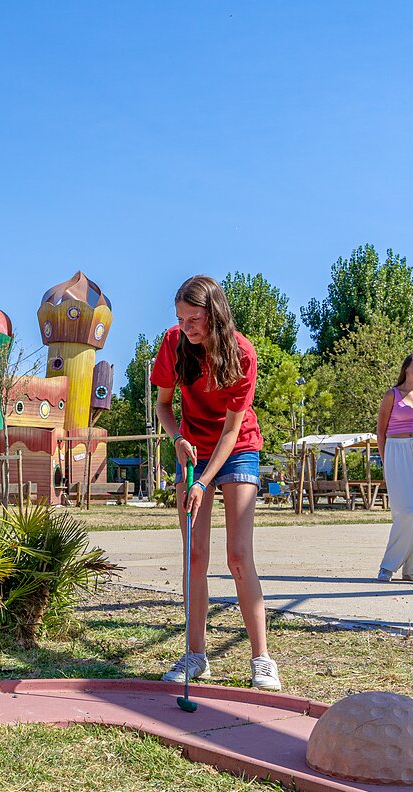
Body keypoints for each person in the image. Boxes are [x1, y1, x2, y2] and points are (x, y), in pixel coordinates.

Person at [151, 275, 280, 691]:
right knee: (195, 555)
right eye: (181, 319)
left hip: (236, 447)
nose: (186, 328)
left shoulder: (241, 352)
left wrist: (203, 483)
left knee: (238, 555)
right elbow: (164, 406)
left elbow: (231, 431)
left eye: (194, 319)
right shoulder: (173, 344)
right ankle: (195, 655)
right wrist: (177, 439)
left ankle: (262, 659)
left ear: (215, 313)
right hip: (192, 449)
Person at [376, 354, 413, 582]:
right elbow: (381, 431)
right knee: (406, 511)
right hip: (395, 449)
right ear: (407, 368)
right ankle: (388, 565)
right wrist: (385, 459)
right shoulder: (392, 394)